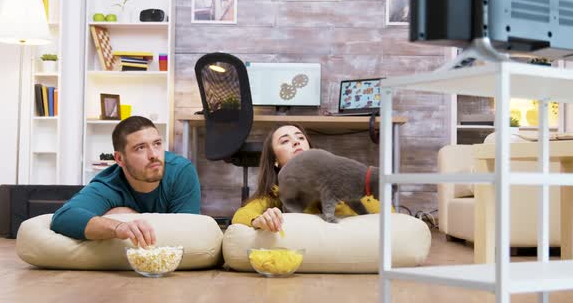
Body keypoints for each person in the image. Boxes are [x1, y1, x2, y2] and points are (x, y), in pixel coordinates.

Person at [51, 116, 201, 247]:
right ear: (119, 159)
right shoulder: (107, 185)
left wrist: (129, 217)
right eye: (140, 148)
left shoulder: (181, 171)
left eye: (157, 144)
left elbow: (186, 231)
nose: (154, 155)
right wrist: (118, 226)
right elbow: (63, 217)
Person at [231, 124, 387, 232]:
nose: (296, 142)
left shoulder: (349, 181)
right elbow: (240, 216)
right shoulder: (275, 194)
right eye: (285, 141)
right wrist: (259, 220)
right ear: (275, 161)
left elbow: (391, 218)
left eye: (300, 137)